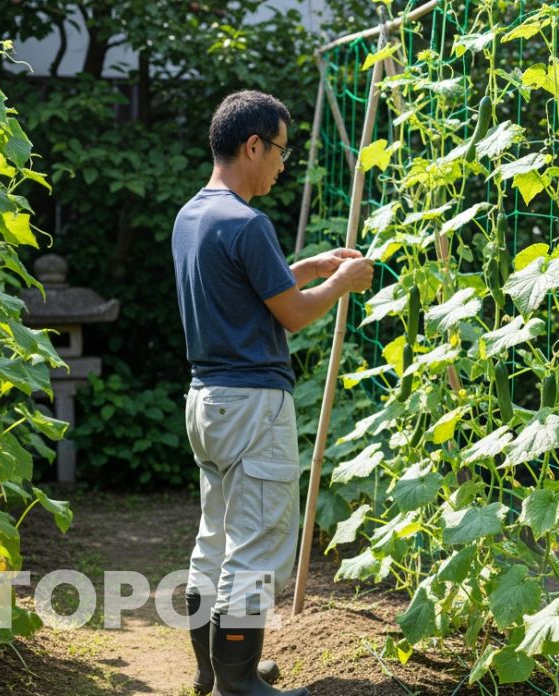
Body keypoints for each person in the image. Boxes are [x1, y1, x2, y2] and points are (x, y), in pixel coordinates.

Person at [172, 89, 374, 696]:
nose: (284, 164)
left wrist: (308, 266)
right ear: (252, 144)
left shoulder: (194, 215)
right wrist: (341, 281)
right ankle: (241, 684)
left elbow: (243, 292)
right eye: (281, 150)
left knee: (215, 538)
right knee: (255, 546)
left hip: (206, 401)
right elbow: (290, 316)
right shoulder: (249, 222)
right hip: (254, 405)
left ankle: (214, 669)